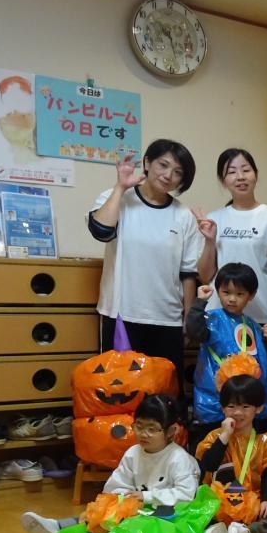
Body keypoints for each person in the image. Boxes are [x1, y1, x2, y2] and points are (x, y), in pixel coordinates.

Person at [88, 139, 209, 368]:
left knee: (165, 387)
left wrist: (187, 319)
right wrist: (120, 188)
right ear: (146, 163)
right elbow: (101, 231)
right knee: (122, 384)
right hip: (122, 314)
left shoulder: (183, 215)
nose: (168, 175)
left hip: (168, 318)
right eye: (163, 165)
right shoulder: (117, 198)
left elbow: (187, 273)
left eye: (178, 172)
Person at [20, 395, 199, 533]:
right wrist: (122, 498)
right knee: (103, 512)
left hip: (166, 514)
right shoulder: (133, 453)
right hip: (137, 509)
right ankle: (58, 526)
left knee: (122, 524)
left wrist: (147, 497)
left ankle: (69, 529)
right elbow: (115, 486)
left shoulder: (178, 458)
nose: (143, 434)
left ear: (171, 431)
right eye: (139, 427)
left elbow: (186, 495)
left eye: (152, 429)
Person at [195, 376, 267, 533]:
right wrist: (224, 436)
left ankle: (246, 531)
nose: (238, 413)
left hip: (255, 498)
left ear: (258, 408)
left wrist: (266, 500)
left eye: (245, 407)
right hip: (223, 497)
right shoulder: (215, 437)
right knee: (202, 506)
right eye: (231, 406)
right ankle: (220, 528)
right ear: (223, 408)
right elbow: (209, 465)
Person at [185, 263, 267, 437]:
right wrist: (199, 303)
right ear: (218, 291)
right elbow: (194, 331)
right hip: (215, 402)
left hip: (246, 404)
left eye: (240, 294)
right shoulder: (211, 319)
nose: (232, 299)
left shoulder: (252, 325)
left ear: (251, 295)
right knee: (216, 443)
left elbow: (261, 361)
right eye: (226, 292)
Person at [202, 148, 267, 332]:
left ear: (255, 174)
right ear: (223, 180)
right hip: (219, 314)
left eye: (246, 170)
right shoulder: (214, 219)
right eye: (232, 172)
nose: (240, 177)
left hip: (263, 315)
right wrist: (209, 241)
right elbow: (204, 276)